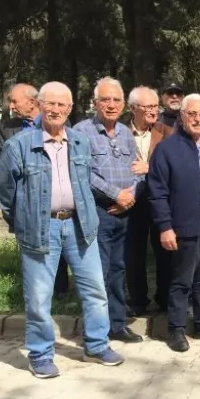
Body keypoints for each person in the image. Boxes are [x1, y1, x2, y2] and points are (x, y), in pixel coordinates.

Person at [0, 81, 124, 378]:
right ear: (40, 106)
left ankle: (96, 344)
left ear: (69, 109)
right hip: (41, 229)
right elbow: (4, 193)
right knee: (39, 297)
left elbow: (86, 182)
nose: (55, 109)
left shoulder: (80, 142)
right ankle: (40, 354)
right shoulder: (20, 145)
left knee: (95, 290)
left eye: (61, 105)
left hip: (81, 226)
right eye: (49, 104)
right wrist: (23, 221)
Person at [149, 93, 200, 352]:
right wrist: (165, 226)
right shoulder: (167, 149)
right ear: (182, 116)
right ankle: (176, 329)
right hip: (185, 222)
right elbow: (158, 192)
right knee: (182, 278)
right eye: (192, 114)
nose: (197, 119)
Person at [74, 77, 145, 343]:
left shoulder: (126, 133)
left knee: (118, 270)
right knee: (97, 273)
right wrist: (116, 195)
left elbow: (139, 169)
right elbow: (83, 173)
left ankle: (117, 324)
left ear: (124, 104)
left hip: (125, 213)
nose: (111, 104)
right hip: (99, 213)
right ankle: (96, 330)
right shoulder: (82, 132)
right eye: (106, 99)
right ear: (95, 103)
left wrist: (132, 197)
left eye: (116, 99)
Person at [0, 83, 72, 299]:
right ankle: (37, 291)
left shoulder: (58, 121)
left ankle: (61, 290)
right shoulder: (9, 128)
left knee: (58, 244)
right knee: (32, 246)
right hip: (27, 196)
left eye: (14, 101)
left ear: (32, 102)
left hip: (55, 194)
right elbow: (7, 165)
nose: (11, 106)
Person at [123, 86, 174, 315]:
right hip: (131, 202)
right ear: (133, 108)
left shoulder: (168, 132)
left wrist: (149, 167)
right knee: (133, 253)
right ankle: (137, 301)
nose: (154, 111)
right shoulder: (120, 133)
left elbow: (175, 167)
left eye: (156, 106)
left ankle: (164, 299)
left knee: (164, 253)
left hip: (159, 202)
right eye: (149, 106)